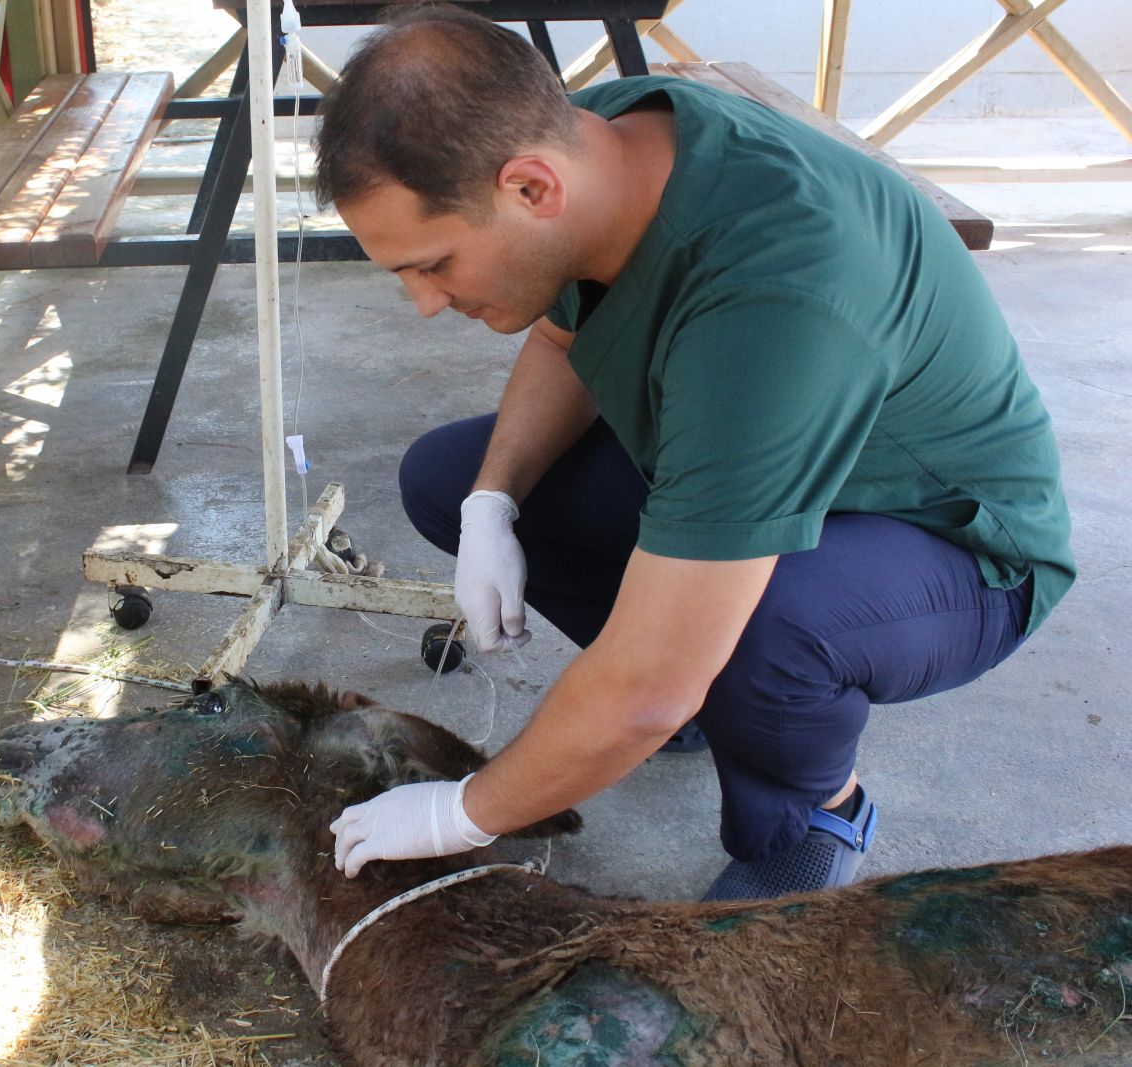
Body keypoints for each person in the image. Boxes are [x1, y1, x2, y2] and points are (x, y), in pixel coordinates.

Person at [316, 5, 1074, 900]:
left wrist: (464, 812)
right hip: (773, 458)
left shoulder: (773, 293)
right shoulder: (599, 143)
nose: (424, 303)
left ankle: (812, 814)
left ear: (530, 190)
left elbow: (648, 687)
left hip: (948, 541)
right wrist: (493, 503)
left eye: (434, 263)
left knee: (759, 631)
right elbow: (565, 336)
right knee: (453, 480)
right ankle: (712, 698)